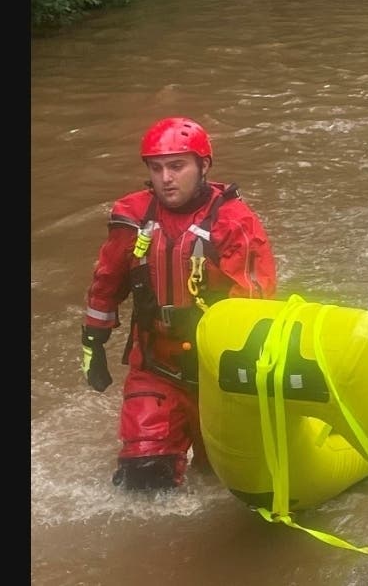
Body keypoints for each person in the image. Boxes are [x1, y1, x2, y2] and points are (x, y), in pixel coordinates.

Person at [80, 117, 277, 490]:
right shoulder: (133, 217)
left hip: (214, 369)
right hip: (156, 364)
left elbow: (255, 303)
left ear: (203, 165)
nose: (166, 178)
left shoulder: (234, 222)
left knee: (221, 480)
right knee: (142, 482)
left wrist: (244, 371)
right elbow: (107, 281)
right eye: (157, 169)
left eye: (177, 166)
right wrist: (93, 340)